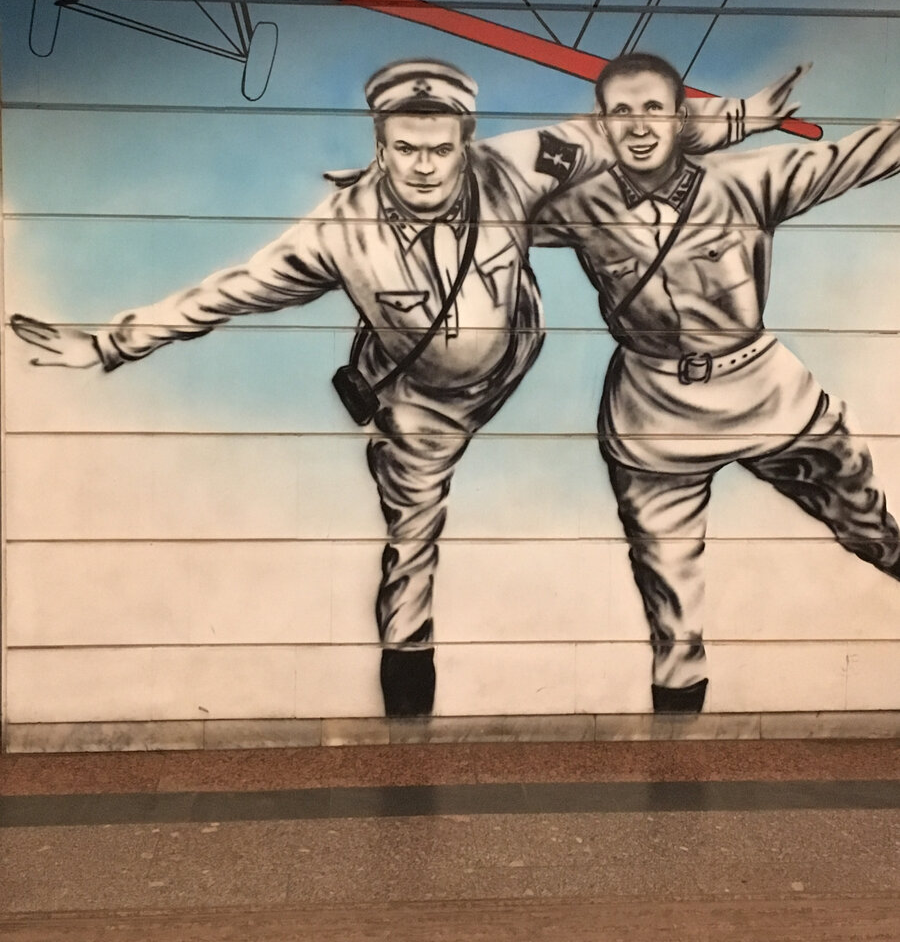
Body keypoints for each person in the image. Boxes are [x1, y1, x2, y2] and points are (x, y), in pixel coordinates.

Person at [9, 56, 800, 717]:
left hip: (514, 350)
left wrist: (745, 118)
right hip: (422, 402)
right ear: (380, 147)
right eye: (405, 149)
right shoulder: (340, 231)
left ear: (467, 144)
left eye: (440, 149)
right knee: (409, 550)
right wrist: (108, 343)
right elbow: (227, 293)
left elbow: (628, 134)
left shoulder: (519, 164)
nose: (424, 166)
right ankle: (406, 723)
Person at [535, 52, 900, 714]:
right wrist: (732, 119)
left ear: (682, 117)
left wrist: (727, 130)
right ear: (600, 123)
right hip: (653, 418)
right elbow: (480, 192)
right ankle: (676, 758)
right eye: (621, 113)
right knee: (671, 618)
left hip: (765, 396)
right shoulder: (579, 205)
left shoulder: (748, 182)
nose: (639, 126)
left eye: (655, 110)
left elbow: (860, 156)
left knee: (868, 525)